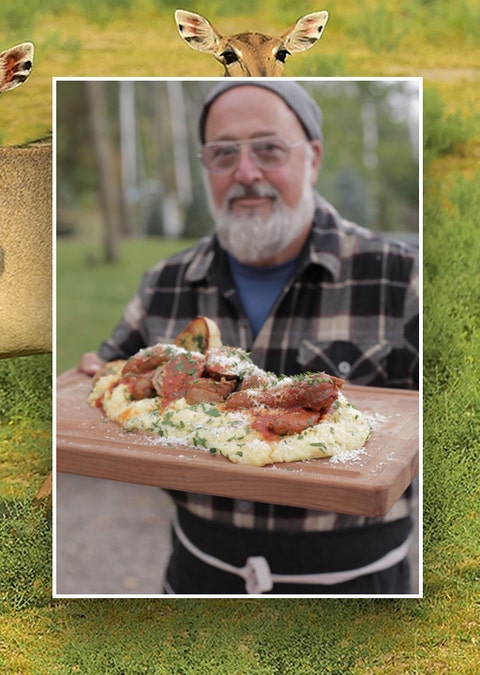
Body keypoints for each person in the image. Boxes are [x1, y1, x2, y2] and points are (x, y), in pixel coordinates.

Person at [79, 81, 419, 594]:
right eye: (223, 154)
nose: (245, 173)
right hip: (196, 579)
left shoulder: (402, 277)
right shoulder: (165, 281)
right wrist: (96, 374)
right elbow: (112, 378)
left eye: (268, 148)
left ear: (314, 158)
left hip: (356, 588)